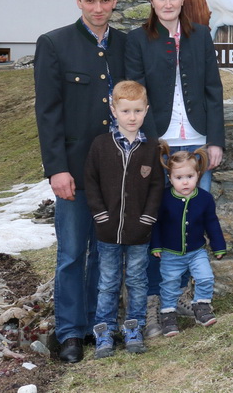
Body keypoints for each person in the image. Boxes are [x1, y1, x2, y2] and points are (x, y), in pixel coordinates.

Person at [34, 0, 126, 364]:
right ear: (78, 1)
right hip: (73, 168)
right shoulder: (54, 44)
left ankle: (97, 325)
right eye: (90, 0)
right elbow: (48, 112)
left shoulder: (126, 46)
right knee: (72, 252)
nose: (98, 7)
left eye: (105, 0)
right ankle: (70, 331)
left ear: (115, 1)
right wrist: (56, 168)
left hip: (116, 167)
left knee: (106, 252)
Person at [126, 0, 225, 336]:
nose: (168, 4)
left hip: (197, 143)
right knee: (161, 222)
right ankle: (156, 303)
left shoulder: (201, 37)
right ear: (152, 2)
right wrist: (150, 145)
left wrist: (215, 141)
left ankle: (188, 298)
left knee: (194, 220)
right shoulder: (138, 40)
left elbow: (213, 90)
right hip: (162, 144)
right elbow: (137, 94)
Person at [83, 80, 164, 359]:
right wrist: (101, 215)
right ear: (114, 110)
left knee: (137, 281)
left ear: (146, 111)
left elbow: (156, 185)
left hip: (139, 232)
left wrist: (147, 218)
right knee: (107, 281)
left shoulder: (151, 146)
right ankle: (104, 332)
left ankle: (134, 328)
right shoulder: (101, 145)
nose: (132, 117)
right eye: (126, 111)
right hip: (107, 231)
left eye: (138, 111)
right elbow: (90, 182)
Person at [151, 149, 227, 335]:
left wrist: (218, 246)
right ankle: (168, 315)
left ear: (198, 175)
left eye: (189, 176)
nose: (185, 182)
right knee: (169, 283)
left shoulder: (204, 199)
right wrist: (156, 245)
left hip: (196, 251)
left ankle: (201, 306)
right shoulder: (164, 198)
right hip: (170, 253)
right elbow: (156, 224)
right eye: (179, 177)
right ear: (170, 177)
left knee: (205, 277)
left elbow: (212, 223)